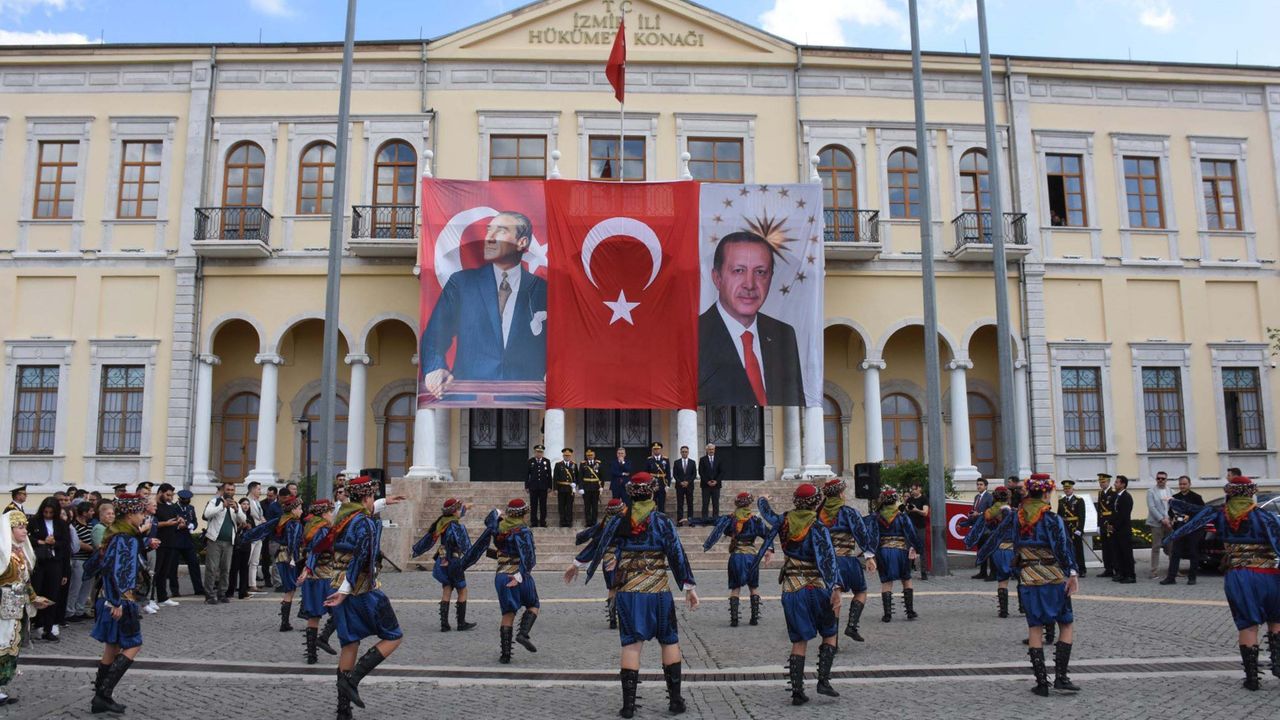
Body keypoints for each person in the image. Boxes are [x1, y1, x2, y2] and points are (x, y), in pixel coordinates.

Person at [574, 472, 698, 718]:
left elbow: (599, 543)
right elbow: (676, 554)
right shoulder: (663, 522)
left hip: (629, 591)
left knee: (631, 645)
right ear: (653, 493)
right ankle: (675, 701)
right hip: (658, 591)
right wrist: (689, 586)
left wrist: (577, 562)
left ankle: (628, 706)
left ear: (631, 494)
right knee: (669, 640)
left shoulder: (619, 520)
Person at [1164, 474, 1280, 690]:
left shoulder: (1220, 516)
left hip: (1238, 575)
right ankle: (1278, 663)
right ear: (1251, 493)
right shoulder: (1265, 517)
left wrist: (1172, 502)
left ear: (1229, 493)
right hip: (1268, 574)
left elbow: (1194, 512)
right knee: (1276, 619)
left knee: (1247, 624)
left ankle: (1252, 678)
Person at [420, 210, 548, 397]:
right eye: (489, 230)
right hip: (469, 396)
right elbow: (435, 337)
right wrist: (434, 368)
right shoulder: (462, 284)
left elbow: (563, 344)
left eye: (501, 231)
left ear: (522, 242)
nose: (489, 238)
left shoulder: (542, 289)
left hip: (527, 397)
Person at [324, 474, 405, 719]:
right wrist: (348, 590)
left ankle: (343, 710)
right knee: (394, 636)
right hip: (359, 588)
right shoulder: (366, 523)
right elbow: (361, 557)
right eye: (373, 497)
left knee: (350, 643)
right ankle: (353, 680)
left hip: (335, 583)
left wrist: (383, 502)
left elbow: (359, 511)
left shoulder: (342, 515)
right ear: (367, 496)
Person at [755, 484, 843, 705]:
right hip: (817, 587)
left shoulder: (783, 521)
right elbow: (828, 559)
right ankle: (823, 680)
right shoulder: (818, 527)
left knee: (799, 639)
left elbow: (768, 515)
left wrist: (762, 499)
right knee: (830, 632)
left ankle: (797, 691)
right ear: (815, 503)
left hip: (792, 587)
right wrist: (836, 588)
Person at [698, 231, 804, 406]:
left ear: (770, 278)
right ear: (717, 278)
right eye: (739, 271)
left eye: (760, 272)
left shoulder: (783, 334)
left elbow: (795, 403)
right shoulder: (693, 335)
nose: (750, 284)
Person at [1012, 474, 1080, 697]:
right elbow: (1062, 547)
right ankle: (1061, 677)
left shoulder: (1018, 518)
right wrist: (1072, 572)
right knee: (1066, 623)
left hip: (1030, 577)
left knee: (1035, 628)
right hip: (1053, 577)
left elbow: (1015, 548)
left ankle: (1041, 683)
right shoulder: (1052, 519)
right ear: (1046, 492)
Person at [87, 492, 149, 714]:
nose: (143, 517)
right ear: (131, 513)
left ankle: (99, 698)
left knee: (112, 647)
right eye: (141, 513)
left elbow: (98, 564)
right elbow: (117, 571)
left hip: (108, 597)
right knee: (133, 644)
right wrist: (117, 601)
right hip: (120, 600)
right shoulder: (126, 537)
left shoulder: (116, 534)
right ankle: (104, 693)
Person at [464, 499, 540, 665]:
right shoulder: (523, 531)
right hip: (518, 574)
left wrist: (498, 513)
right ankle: (523, 634)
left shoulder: (498, 528)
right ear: (524, 513)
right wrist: (519, 576)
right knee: (533, 604)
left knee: (507, 614)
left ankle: (505, 655)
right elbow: (529, 558)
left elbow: (490, 518)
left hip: (501, 575)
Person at [816, 477, 877, 642]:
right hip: (847, 560)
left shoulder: (818, 515)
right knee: (861, 591)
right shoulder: (848, 512)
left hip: (827, 563)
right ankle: (852, 625)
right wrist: (869, 556)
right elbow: (861, 533)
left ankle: (832, 642)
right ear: (841, 494)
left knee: (835, 599)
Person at [1, 510, 52, 706]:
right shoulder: (2, 552)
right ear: (9, 530)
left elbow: (24, 580)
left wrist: (34, 597)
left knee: (10, 644)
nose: (25, 531)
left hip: (15, 606)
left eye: (25, 527)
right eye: (20, 527)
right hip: (3, 605)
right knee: (1, 644)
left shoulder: (19, 552)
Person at [703, 492, 770, 627]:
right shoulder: (755, 520)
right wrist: (769, 550)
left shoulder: (730, 519)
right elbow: (768, 535)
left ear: (736, 503)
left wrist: (691, 520)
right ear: (749, 504)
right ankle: (754, 618)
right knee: (753, 587)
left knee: (735, 587)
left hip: (737, 556)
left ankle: (734, 620)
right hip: (751, 557)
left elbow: (712, 520)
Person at [410, 498, 476, 633]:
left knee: (447, 589)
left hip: (443, 560)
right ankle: (461, 623)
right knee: (462, 590)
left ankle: (444, 624)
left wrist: (466, 507)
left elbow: (429, 540)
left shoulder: (442, 523)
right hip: (455, 561)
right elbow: (466, 547)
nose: (460, 512)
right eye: (459, 510)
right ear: (454, 512)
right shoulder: (457, 527)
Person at [242, 493, 304, 630]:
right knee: (290, 589)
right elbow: (293, 541)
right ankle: (284, 622)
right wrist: (294, 558)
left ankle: (285, 621)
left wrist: (246, 536)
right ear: (293, 509)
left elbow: (262, 529)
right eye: (299, 508)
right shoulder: (294, 523)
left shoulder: (281, 520)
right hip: (288, 558)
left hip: (281, 557)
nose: (301, 511)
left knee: (290, 588)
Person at [567, 498, 627, 629]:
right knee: (623, 587)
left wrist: (577, 561)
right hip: (621, 557)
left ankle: (612, 618)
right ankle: (623, 617)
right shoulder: (622, 523)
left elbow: (593, 540)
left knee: (612, 588)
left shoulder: (604, 524)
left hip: (608, 559)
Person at [297, 498, 338, 665]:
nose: (332, 515)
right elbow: (315, 551)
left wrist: (306, 570)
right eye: (330, 512)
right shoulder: (322, 529)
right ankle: (323, 638)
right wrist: (307, 569)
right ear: (323, 513)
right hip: (324, 576)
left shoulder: (311, 526)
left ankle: (312, 654)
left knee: (314, 616)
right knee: (339, 609)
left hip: (313, 577)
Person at [873, 487, 923, 622]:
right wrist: (917, 547)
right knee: (906, 579)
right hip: (901, 550)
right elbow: (911, 533)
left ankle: (887, 614)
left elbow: (871, 535)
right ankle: (910, 611)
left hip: (884, 551)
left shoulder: (877, 517)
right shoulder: (901, 516)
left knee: (886, 581)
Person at [29, 497, 70, 642]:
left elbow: (65, 545)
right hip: (39, 562)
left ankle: (48, 627)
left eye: (50, 512)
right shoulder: (34, 522)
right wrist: (41, 542)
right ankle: (35, 624)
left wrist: (54, 543)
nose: (47, 515)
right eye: (45, 512)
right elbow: (28, 539)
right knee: (37, 592)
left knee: (52, 594)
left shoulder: (61, 524)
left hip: (55, 562)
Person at [973, 487, 1016, 618]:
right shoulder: (1012, 512)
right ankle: (1023, 607)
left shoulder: (989, 512)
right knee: (1020, 577)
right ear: (1007, 497)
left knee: (1002, 579)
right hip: (1011, 548)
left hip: (996, 548)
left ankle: (1003, 610)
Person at [202, 482, 246, 605]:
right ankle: (209, 595)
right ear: (223, 490)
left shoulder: (236, 505)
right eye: (228, 489)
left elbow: (243, 519)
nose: (230, 491)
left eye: (232, 489)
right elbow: (206, 514)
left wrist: (237, 509)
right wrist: (222, 506)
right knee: (212, 568)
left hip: (229, 541)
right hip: (214, 540)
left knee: (226, 569)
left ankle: (222, 593)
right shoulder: (215, 502)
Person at [1161, 476, 1205, 586]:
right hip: (1179, 529)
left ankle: (1192, 577)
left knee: (1193, 553)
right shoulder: (1175, 497)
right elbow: (1171, 511)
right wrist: (1173, 517)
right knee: (1175, 553)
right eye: (1180, 484)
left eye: (1184, 484)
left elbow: (1201, 512)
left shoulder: (1197, 497)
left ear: (1189, 484)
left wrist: (1189, 516)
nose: (1182, 486)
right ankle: (1171, 577)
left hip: (1192, 530)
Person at [151, 484, 184, 606]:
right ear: (160, 492)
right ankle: (150, 598)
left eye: (171, 495)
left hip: (170, 542)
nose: (170, 498)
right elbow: (152, 524)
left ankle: (162, 597)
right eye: (168, 495)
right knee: (156, 571)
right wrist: (166, 523)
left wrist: (179, 520)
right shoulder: (154, 506)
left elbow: (174, 519)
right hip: (158, 543)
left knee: (165, 572)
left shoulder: (170, 507)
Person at [169, 490, 205, 598]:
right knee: (173, 567)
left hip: (187, 540)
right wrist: (178, 526)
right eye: (185, 500)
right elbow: (169, 522)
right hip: (175, 540)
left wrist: (190, 526)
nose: (187, 501)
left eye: (188, 500)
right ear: (180, 499)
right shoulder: (173, 508)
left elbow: (195, 521)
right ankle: (175, 590)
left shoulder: (191, 508)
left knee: (194, 564)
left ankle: (198, 588)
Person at [66, 501, 96, 622]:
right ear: (84, 513)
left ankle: (80, 609)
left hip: (89, 560)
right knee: (76, 587)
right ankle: (70, 611)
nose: (93, 513)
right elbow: (77, 542)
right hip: (79, 559)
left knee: (86, 587)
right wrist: (91, 548)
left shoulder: (89, 525)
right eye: (91, 511)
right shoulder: (75, 526)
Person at [226, 498, 256, 601]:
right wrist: (240, 527)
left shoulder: (250, 517)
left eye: (248, 504)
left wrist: (249, 527)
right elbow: (233, 530)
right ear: (239, 505)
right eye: (243, 504)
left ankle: (243, 592)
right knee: (234, 569)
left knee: (244, 569)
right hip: (237, 545)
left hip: (246, 545)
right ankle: (230, 591)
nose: (246, 506)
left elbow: (253, 530)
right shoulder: (235, 514)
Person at [964, 478, 994, 579]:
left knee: (988, 549)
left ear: (986, 486)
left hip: (986, 528)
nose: (978, 486)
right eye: (977, 484)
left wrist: (980, 514)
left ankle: (992, 573)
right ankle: (983, 571)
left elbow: (990, 511)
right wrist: (972, 514)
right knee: (980, 550)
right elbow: (975, 509)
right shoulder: (977, 497)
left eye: (981, 484)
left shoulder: (989, 497)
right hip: (978, 527)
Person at [1057, 480, 1087, 577]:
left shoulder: (1079, 500)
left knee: (1078, 549)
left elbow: (1082, 516)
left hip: (1075, 528)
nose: (1067, 490)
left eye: (1068, 488)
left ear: (1072, 489)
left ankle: (1081, 569)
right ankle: (1069, 568)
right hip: (1065, 528)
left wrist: (1080, 529)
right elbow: (1059, 516)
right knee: (1066, 549)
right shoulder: (1061, 501)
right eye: (1065, 489)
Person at [1146, 471, 1173, 579]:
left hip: (1169, 522)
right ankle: (1154, 570)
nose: (1160, 480)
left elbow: (1173, 507)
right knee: (1156, 547)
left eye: (1163, 478)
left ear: (1166, 480)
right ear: (1156, 479)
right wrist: (1162, 519)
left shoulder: (1171, 491)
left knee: (1171, 547)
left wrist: (1170, 519)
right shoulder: (1151, 491)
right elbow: (1152, 507)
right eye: (1158, 478)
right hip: (1156, 523)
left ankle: (1173, 569)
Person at [1111, 475, 1136, 584]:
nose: (1115, 484)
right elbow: (1114, 512)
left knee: (1126, 553)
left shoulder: (1126, 497)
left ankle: (1131, 575)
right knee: (1119, 553)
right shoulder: (1117, 496)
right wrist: (1111, 524)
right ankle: (1122, 573)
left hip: (1124, 530)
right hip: (1117, 530)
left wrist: (1115, 525)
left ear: (1123, 484)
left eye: (1117, 482)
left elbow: (1124, 515)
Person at [904, 483, 930, 579]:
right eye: (912, 489)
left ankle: (923, 572)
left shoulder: (924, 499)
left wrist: (915, 509)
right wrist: (908, 509)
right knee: (908, 549)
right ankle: (907, 571)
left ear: (919, 489)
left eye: (914, 489)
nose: (913, 491)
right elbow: (906, 510)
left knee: (922, 549)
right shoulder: (910, 499)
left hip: (920, 527)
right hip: (910, 527)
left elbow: (925, 513)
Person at [1094, 473, 1116, 578]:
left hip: (1110, 522)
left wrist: (1113, 523)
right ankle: (1108, 569)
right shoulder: (1100, 493)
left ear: (1108, 482)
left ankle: (1116, 568)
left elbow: (1115, 510)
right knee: (1105, 547)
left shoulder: (1113, 493)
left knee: (1113, 546)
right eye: (1100, 482)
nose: (1101, 484)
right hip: (1103, 523)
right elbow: (1100, 511)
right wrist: (1098, 525)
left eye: (1103, 482)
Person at [526, 445, 552, 528]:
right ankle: (533, 522)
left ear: (542, 453)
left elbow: (549, 475)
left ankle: (543, 522)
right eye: (537, 452)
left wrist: (550, 486)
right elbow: (527, 475)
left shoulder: (546, 461)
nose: (539, 454)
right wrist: (526, 486)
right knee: (533, 505)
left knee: (543, 505)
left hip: (543, 487)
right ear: (535, 452)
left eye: (541, 452)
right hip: (533, 487)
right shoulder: (530, 461)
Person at [553, 448, 579, 528]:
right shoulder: (558, 464)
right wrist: (555, 489)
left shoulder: (574, 464)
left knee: (569, 505)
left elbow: (577, 476)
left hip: (570, 489)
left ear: (570, 456)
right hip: (561, 488)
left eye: (568, 456)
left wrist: (575, 484)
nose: (567, 457)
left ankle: (569, 521)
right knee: (561, 506)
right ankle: (562, 521)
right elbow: (555, 478)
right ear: (563, 456)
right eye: (565, 455)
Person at [672, 445, 697, 525]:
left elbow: (694, 474)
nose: (684, 453)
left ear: (688, 452)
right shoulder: (676, 462)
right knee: (680, 504)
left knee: (690, 504)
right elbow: (675, 474)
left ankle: (691, 521)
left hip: (689, 486)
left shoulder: (692, 462)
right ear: (680, 452)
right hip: (679, 486)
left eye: (686, 452)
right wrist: (681, 482)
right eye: (683, 452)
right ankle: (680, 522)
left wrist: (688, 482)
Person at [579, 449, 604, 527]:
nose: (590, 457)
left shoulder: (598, 463)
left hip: (595, 488)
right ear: (586, 456)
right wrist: (581, 488)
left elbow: (602, 476)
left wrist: (601, 487)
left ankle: (594, 522)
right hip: (586, 488)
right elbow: (580, 477)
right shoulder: (583, 464)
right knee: (587, 506)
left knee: (595, 506)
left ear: (594, 455)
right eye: (588, 455)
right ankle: (588, 522)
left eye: (591, 455)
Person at [699, 443, 724, 520]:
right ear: (707, 450)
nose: (711, 451)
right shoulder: (702, 459)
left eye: (712, 449)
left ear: (714, 450)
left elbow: (722, 472)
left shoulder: (719, 459)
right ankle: (704, 519)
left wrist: (716, 481)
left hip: (716, 485)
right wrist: (707, 481)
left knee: (715, 503)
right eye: (709, 449)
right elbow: (701, 472)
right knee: (705, 503)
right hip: (706, 485)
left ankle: (715, 519)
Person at [646, 442, 671, 515]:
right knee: (652, 502)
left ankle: (661, 519)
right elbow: (646, 472)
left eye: (658, 449)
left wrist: (668, 485)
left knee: (661, 503)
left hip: (662, 484)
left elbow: (668, 473)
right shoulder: (649, 460)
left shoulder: (665, 459)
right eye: (655, 449)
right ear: (652, 450)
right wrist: (647, 484)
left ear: (661, 450)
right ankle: (652, 519)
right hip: (652, 484)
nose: (656, 451)